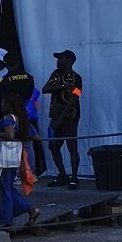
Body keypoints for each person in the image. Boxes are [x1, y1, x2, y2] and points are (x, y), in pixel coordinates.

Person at [0, 95, 41, 229]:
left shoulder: (7, 119)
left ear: (8, 105)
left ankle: (7, 221)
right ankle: (29, 210)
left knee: (4, 189)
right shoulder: (22, 120)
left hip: (4, 157)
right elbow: (35, 136)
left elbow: (10, 135)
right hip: (15, 156)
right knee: (7, 187)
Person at [42, 50, 83, 189]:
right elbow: (45, 89)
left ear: (69, 60)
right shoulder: (56, 74)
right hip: (55, 115)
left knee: (72, 146)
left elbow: (75, 97)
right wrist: (63, 86)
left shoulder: (76, 78)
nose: (58, 61)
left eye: (60, 58)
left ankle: (74, 177)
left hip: (70, 116)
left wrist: (61, 117)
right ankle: (62, 175)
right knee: (53, 146)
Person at [0, 59, 42, 176]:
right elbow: (32, 93)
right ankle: (33, 168)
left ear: (7, 64)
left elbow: (1, 97)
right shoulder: (29, 77)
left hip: (13, 110)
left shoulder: (4, 79)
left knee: (13, 139)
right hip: (27, 111)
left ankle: (16, 171)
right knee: (28, 137)